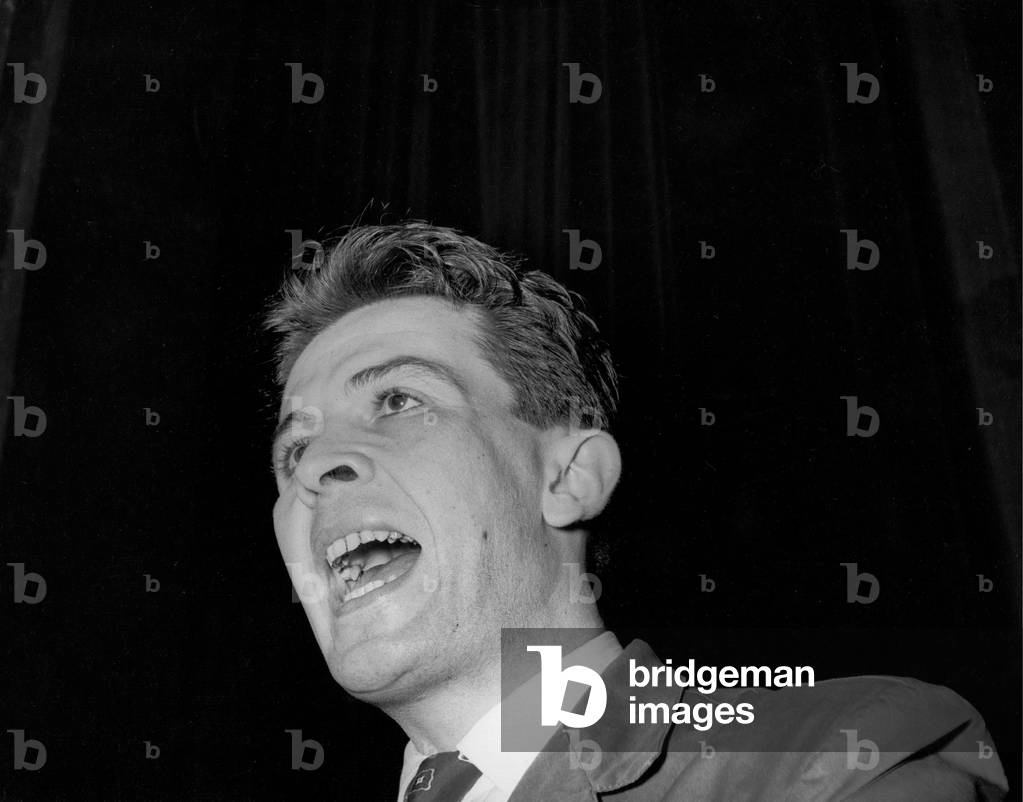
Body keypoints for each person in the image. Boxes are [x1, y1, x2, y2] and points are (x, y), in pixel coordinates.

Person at [265, 222, 1008, 801]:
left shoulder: (841, 756)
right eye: (292, 451)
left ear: (570, 477)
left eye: (398, 400)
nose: (317, 470)